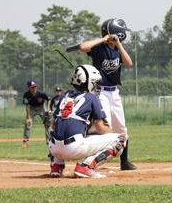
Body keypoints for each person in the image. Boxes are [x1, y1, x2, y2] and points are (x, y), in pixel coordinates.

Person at [78, 18, 136, 170]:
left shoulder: (117, 49)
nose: (123, 34)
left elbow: (129, 64)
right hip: (101, 92)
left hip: (114, 93)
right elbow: (83, 47)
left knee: (122, 128)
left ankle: (124, 162)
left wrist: (119, 44)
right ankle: (91, 161)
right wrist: (104, 39)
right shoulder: (99, 48)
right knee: (104, 127)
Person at [49, 64, 126, 178]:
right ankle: (85, 167)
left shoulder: (65, 96)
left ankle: (57, 166)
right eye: (95, 83)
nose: (97, 86)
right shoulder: (91, 97)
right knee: (120, 140)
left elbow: (54, 124)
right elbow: (100, 128)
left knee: (62, 130)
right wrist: (113, 135)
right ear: (88, 82)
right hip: (73, 148)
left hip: (53, 148)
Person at [22, 80, 51, 148]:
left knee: (47, 123)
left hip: (41, 107)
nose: (34, 88)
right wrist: (28, 117)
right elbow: (27, 106)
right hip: (32, 108)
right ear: (29, 87)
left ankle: (49, 141)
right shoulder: (26, 95)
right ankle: (26, 140)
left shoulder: (41, 93)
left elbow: (48, 99)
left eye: (35, 86)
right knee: (28, 123)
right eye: (32, 87)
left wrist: (48, 108)